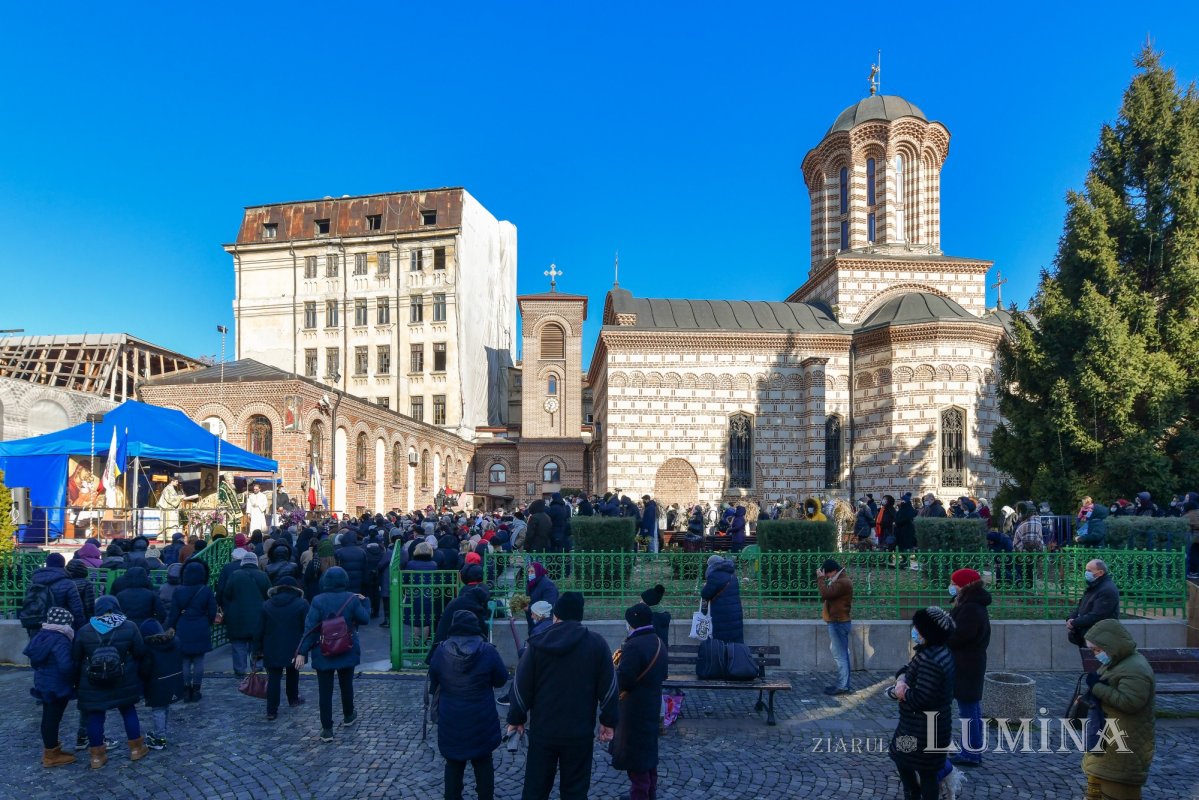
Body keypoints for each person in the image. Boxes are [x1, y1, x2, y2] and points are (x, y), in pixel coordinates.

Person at [506, 593, 619, 800]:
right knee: (575, 791)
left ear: (555, 615)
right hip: (579, 732)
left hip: (543, 731)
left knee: (535, 789)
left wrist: (516, 719)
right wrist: (608, 721)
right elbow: (610, 688)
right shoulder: (597, 644)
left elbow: (520, 688)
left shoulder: (537, 644)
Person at [428, 610, 509, 800]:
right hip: (481, 718)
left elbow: (434, 679)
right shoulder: (487, 650)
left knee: (454, 764)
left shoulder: (441, 650)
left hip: (451, 718)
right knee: (483, 761)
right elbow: (501, 680)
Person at [1081, 619, 1156, 800]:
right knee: (1095, 787)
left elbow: (1131, 702)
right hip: (1107, 739)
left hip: (1123, 742)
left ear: (1111, 645)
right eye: (1093, 650)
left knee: (1114, 790)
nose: (1095, 654)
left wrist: (1097, 688)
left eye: (1097, 649)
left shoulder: (1135, 668)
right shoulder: (1116, 661)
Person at [72, 595, 149, 769]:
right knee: (128, 711)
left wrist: (76, 682)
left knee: (95, 716)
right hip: (123, 678)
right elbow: (140, 653)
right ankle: (136, 749)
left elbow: (76, 659)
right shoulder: (130, 627)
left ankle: (97, 757)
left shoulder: (85, 630)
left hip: (93, 681)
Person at [295, 566, 370, 743]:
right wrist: (365, 601)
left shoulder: (318, 600)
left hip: (323, 649)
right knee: (346, 685)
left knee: (325, 691)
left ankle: (327, 729)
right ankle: (348, 715)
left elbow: (310, 628)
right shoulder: (351, 599)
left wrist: (301, 652)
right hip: (347, 647)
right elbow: (364, 618)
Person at [888, 607, 956, 800]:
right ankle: (913, 793)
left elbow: (923, 698)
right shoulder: (938, 652)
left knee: (920, 771)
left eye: (917, 628)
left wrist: (902, 692)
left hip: (922, 729)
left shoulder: (931, 659)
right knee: (913, 765)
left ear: (927, 632)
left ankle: (912, 794)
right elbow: (910, 669)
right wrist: (902, 677)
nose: (914, 630)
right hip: (930, 726)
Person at [611, 602, 668, 800]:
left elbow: (625, 680)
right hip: (651, 703)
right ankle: (650, 794)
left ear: (632, 623)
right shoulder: (658, 641)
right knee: (648, 754)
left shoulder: (634, 646)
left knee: (636, 758)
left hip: (634, 708)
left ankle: (640, 796)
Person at [945, 568, 990, 767]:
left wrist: (942, 635)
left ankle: (971, 753)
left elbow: (960, 635)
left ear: (963, 586)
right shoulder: (970, 604)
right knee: (970, 708)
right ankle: (972, 750)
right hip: (968, 662)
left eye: (955, 584)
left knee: (969, 710)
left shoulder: (971, 608)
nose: (952, 587)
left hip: (967, 664)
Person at [23, 606, 78, 768]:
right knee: (52, 718)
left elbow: (35, 661)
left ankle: (53, 749)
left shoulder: (41, 635)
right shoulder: (60, 639)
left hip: (43, 682)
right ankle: (51, 755)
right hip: (57, 685)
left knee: (48, 716)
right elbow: (66, 666)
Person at [256, 576, 309, 721]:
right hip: (294, 646)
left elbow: (259, 629)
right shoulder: (302, 604)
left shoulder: (267, 605)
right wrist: (305, 650)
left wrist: (257, 649)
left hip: (272, 646)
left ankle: (271, 710)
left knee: (274, 678)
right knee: (293, 673)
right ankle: (293, 698)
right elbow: (307, 628)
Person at [166, 560, 216, 702]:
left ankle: (186, 689)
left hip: (183, 625)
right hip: (201, 624)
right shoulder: (205, 590)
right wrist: (208, 622)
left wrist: (172, 626)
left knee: (185, 660)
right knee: (199, 660)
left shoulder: (179, 590)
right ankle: (196, 689)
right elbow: (212, 610)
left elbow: (174, 612)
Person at [137, 619, 182, 750]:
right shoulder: (174, 642)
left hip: (157, 684)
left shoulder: (149, 648)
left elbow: (145, 669)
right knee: (165, 708)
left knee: (158, 710)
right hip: (172, 680)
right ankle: (160, 733)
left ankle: (160, 739)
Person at [223, 551, 270, 676]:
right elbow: (269, 595)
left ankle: (240, 669)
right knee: (257, 643)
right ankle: (257, 667)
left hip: (237, 616)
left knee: (238, 644)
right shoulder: (263, 575)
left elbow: (226, 594)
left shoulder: (235, 575)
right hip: (258, 616)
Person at [22, 552, 85, 635]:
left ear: (47, 564)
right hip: (60, 627)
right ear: (63, 564)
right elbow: (76, 610)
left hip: (36, 625)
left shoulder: (33, 582)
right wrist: (81, 628)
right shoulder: (68, 583)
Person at [816, 558, 853, 696]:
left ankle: (843, 686)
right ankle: (844, 684)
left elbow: (825, 594)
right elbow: (827, 595)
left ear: (833, 571)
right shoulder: (840, 580)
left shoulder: (843, 582)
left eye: (827, 574)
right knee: (840, 653)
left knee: (841, 655)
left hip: (838, 622)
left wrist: (820, 579)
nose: (826, 577)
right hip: (838, 621)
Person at [1067, 559, 1120, 647]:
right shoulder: (1094, 587)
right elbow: (1081, 607)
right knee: (1088, 660)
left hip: (1099, 638)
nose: (1086, 573)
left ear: (1100, 572)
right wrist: (1070, 618)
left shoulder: (1107, 590)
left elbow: (1097, 616)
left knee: (1096, 660)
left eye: (1089, 571)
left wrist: (1074, 622)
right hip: (1089, 636)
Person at [700, 555, 743, 643]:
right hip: (735, 612)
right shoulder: (732, 575)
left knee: (721, 642)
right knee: (734, 640)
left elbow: (705, 593)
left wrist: (704, 586)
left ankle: (722, 656)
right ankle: (735, 655)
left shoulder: (714, 575)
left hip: (721, 613)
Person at [525, 562, 559, 629]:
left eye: (532, 571)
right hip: (534, 619)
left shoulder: (548, 585)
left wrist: (529, 608)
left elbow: (549, 604)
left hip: (545, 622)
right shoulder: (531, 583)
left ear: (538, 571)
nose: (530, 574)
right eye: (528, 572)